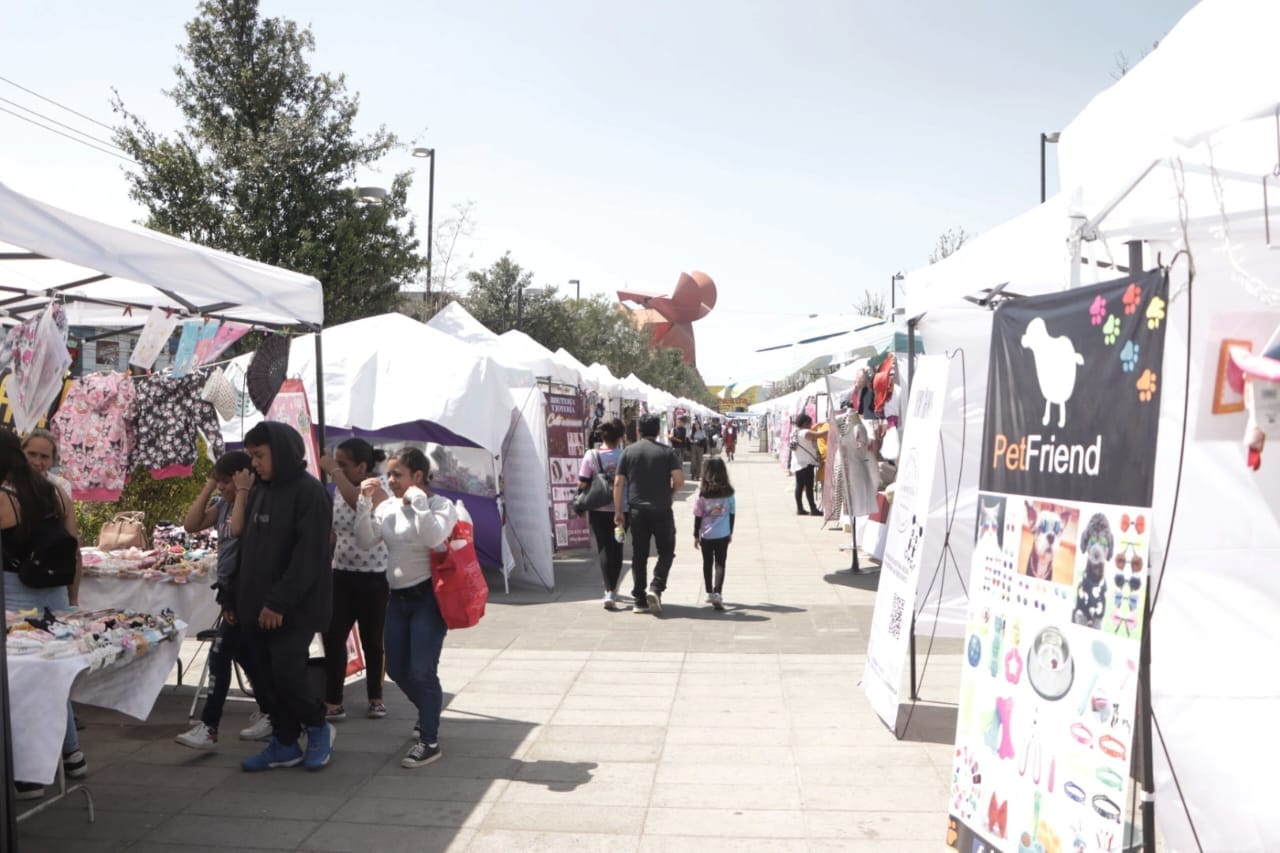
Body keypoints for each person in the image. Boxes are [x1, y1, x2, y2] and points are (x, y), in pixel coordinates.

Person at [236, 422, 335, 772]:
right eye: (252, 456)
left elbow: (308, 557)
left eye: (260, 456)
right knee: (265, 679)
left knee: (288, 673)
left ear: (281, 451)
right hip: (255, 606)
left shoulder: (310, 493)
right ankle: (285, 741)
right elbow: (250, 548)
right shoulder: (262, 490)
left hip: (296, 607)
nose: (255, 464)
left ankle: (319, 727)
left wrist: (279, 602)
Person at [354, 447, 458, 769]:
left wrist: (421, 504)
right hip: (397, 598)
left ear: (417, 476)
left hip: (428, 598)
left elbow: (433, 538)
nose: (390, 480)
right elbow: (364, 541)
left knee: (421, 670)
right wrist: (363, 505)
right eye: (389, 473)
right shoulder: (388, 508)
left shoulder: (441, 505)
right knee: (396, 669)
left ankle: (429, 740)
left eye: (397, 474)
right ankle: (429, 710)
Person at [0, 429, 85, 799]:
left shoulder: (7, 497)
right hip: (53, 595)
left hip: (18, 599)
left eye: (44, 455)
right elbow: (74, 551)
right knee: (53, 680)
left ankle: (31, 774)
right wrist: (72, 599)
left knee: (24, 686)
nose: (38, 461)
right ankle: (73, 754)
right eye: (32, 454)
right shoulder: (55, 493)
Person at [174, 451, 271, 749]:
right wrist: (209, 486)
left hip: (245, 592)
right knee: (244, 656)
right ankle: (272, 709)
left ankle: (210, 725)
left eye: (226, 481)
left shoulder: (251, 503)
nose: (222, 488)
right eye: (220, 482)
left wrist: (242, 492)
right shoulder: (224, 503)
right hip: (231, 590)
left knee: (220, 654)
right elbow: (191, 524)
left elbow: (240, 530)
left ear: (242, 478)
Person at [319, 439, 391, 722]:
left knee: (373, 639)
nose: (337, 468)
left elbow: (360, 501)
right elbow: (336, 529)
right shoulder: (339, 488)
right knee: (334, 635)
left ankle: (376, 697)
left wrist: (334, 472)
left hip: (374, 577)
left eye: (343, 463)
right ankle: (333, 700)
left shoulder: (376, 485)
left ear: (362, 467)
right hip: (342, 573)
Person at [613, 414, 684, 615]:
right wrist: (670, 494)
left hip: (637, 511)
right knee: (667, 551)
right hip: (662, 509)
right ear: (658, 431)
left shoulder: (628, 452)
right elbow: (678, 481)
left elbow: (618, 483)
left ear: (638, 431)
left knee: (639, 554)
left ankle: (639, 598)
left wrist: (619, 511)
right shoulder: (668, 452)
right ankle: (656, 587)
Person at [577, 418, 627, 610]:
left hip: (598, 508)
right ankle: (613, 587)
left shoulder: (591, 455)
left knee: (604, 548)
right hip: (622, 508)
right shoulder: (625, 455)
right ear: (621, 437)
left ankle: (609, 590)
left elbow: (582, 482)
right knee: (618, 547)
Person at [693, 458, 736, 610]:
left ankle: (708, 592)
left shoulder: (702, 495)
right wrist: (730, 531)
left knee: (707, 563)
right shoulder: (729, 494)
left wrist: (696, 535)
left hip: (706, 535)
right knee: (720, 563)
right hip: (723, 534)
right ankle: (718, 593)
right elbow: (732, 514)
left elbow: (697, 516)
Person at [790, 414, 826, 516]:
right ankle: (813, 509)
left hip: (797, 463)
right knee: (809, 487)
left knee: (799, 487)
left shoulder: (795, 431)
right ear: (805, 423)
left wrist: (818, 425)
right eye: (810, 423)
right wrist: (829, 429)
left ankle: (800, 508)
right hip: (806, 464)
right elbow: (818, 435)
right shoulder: (805, 433)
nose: (811, 425)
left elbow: (810, 431)